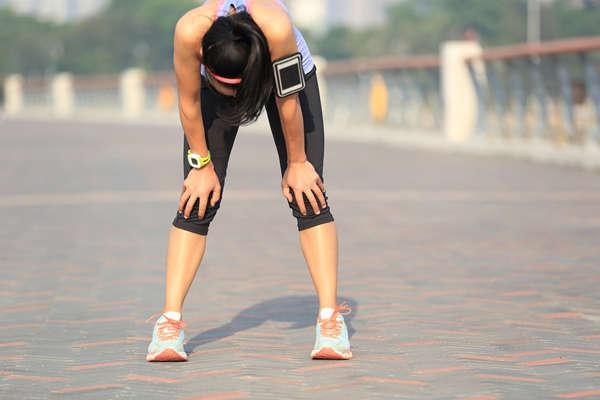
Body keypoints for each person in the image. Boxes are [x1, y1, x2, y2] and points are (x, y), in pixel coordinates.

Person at [144, 0, 353, 362]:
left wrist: (298, 162)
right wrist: (201, 164)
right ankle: (169, 324)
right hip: (218, 80)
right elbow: (189, 101)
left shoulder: (277, 30)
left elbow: (288, 103)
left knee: (309, 194)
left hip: (280, 78)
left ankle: (330, 321)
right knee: (197, 200)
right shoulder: (190, 31)